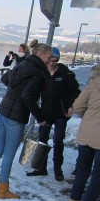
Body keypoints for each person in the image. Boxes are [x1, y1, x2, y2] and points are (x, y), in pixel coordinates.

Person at [0, 43, 51, 199]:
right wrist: (41, 117)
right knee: (9, 154)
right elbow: (27, 98)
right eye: (48, 56)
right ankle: (3, 189)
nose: (50, 59)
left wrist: (14, 91)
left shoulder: (22, 64)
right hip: (16, 117)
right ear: (40, 55)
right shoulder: (37, 73)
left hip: (3, 111)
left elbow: (5, 78)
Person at [26, 47, 81, 181]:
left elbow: (76, 92)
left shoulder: (66, 74)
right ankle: (41, 168)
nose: (52, 63)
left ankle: (58, 170)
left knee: (58, 140)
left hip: (61, 113)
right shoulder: (42, 74)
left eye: (55, 60)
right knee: (42, 140)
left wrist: (71, 106)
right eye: (50, 61)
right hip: (45, 112)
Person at [64, 65, 100, 201]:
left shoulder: (94, 82)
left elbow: (77, 106)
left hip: (86, 133)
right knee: (97, 177)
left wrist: (89, 117)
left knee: (82, 172)